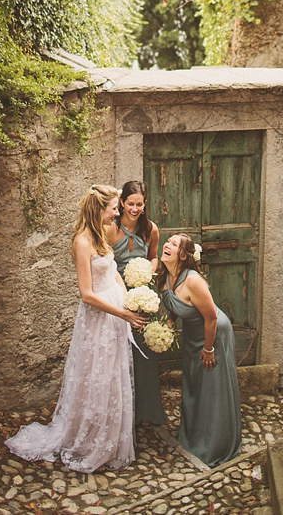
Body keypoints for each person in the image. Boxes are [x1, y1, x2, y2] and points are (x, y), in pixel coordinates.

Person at [5, 185, 147, 473]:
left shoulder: (106, 233)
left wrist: (127, 300)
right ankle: (89, 439)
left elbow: (114, 271)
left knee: (113, 376)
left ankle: (110, 437)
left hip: (117, 314)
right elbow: (86, 294)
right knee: (97, 376)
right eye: (114, 208)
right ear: (99, 209)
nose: (118, 213)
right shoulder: (82, 242)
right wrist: (121, 312)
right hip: (99, 318)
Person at [158, 234, 242, 467]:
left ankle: (216, 444)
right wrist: (170, 323)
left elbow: (212, 317)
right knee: (195, 385)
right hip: (192, 336)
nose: (167, 244)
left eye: (174, 244)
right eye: (168, 241)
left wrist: (208, 349)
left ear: (183, 256)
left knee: (212, 388)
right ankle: (194, 436)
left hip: (213, 335)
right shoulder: (165, 276)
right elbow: (176, 303)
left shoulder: (193, 281)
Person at [106, 180, 166, 426]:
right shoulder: (110, 228)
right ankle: (119, 412)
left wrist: (145, 272)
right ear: (121, 202)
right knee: (118, 349)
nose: (135, 208)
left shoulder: (150, 228)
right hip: (117, 293)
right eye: (130, 203)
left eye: (139, 204)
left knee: (143, 351)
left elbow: (154, 257)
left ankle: (146, 412)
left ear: (145, 204)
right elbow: (104, 263)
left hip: (142, 294)